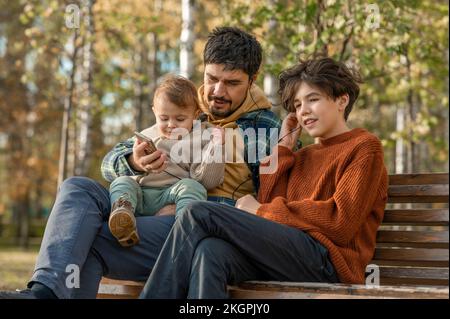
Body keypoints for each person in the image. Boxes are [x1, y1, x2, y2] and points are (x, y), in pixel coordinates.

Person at [0, 26, 280, 299]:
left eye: (232, 83)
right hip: (144, 203)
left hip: (195, 227)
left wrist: (193, 207)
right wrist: (134, 161)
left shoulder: (261, 128)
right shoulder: (183, 106)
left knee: (90, 239)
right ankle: (42, 292)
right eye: (211, 79)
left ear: (252, 80)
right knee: (77, 189)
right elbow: (109, 163)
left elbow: (267, 210)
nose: (217, 91)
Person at [139, 56, 389, 299]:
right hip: (288, 256)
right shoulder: (303, 155)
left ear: (341, 100)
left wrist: (260, 211)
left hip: (330, 263)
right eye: (298, 105)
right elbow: (271, 208)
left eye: (312, 100)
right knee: (210, 252)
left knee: (198, 212)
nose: (304, 111)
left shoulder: (364, 147)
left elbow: (340, 223)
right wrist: (283, 149)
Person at [108, 75, 225, 247]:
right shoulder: (145, 135)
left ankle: (186, 225)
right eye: (164, 118)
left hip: (171, 196)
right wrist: (135, 161)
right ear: (154, 112)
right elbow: (110, 162)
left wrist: (216, 146)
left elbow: (207, 181)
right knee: (122, 182)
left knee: (193, 186)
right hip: (140, 196)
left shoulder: (202, 137)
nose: (171, 125)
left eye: (180, 119)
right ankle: (122, 214)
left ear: (195, 115)